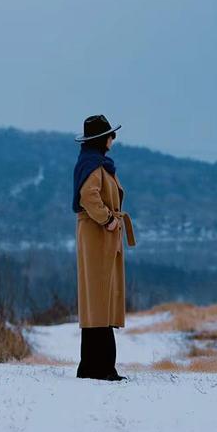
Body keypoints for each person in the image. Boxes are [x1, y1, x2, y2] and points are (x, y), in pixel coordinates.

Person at [72, 114, 135, 380]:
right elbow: (88, 196)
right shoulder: (93, 166)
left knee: (100, 299)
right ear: (101, 139)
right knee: (99, 299)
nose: (113, 139)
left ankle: (92, 366)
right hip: (97, 236)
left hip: (101, 238)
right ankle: (100, 368)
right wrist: (108, 219)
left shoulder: (98, 165)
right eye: (111, 135)